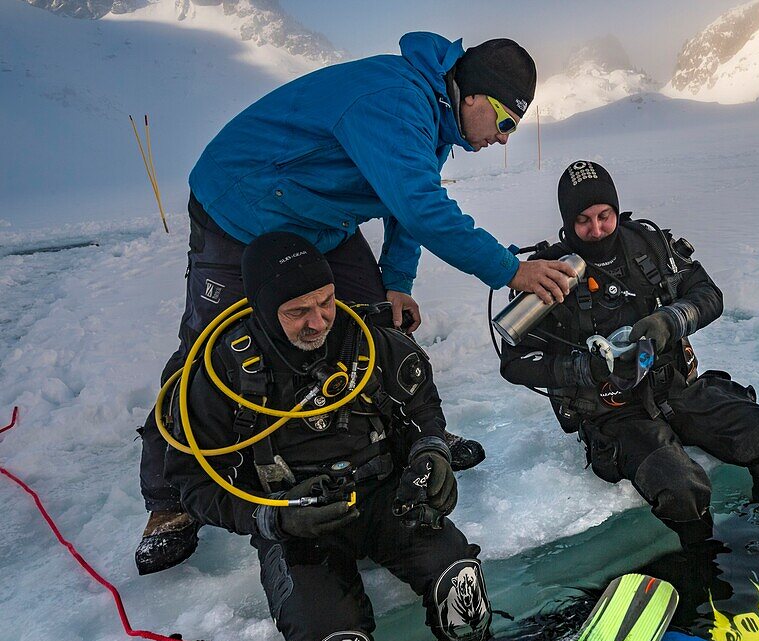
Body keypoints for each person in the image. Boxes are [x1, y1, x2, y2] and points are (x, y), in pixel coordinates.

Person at [137, 32, 578, 574]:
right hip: (241, 207)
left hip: (317, 215)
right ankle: (166, 501)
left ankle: (412, 438)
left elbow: (406, 199)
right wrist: (513, 270)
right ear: (472, 97)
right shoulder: (396, 101)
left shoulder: (434, 113)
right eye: (505, 122)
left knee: (376, 320)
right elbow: (420, 208)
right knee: (204, 349)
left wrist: (396, 281)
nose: (506, 138)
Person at [164, 233, 492, 641]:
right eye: (298, 312)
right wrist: (270, 518)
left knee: (461, 587)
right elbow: (192, 481)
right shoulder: (221, 371)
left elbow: (422, 401)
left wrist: (432, 451)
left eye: (326, 302)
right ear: (261, 307)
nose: (318, 321)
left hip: (383, 496)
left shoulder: (368, 338)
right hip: (296, 524)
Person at [499, 161, 759, 548]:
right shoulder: (552, 272)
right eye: (583, 220)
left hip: (677, 389)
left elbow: (709, 295)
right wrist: (583, 368)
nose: (596, 230)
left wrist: (670, 320)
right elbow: (513, 363)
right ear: (567, 221)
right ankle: (705, 567)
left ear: (616, 209)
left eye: (604, 216)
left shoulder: (650, 246)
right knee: (682, 489)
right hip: (614, 413)